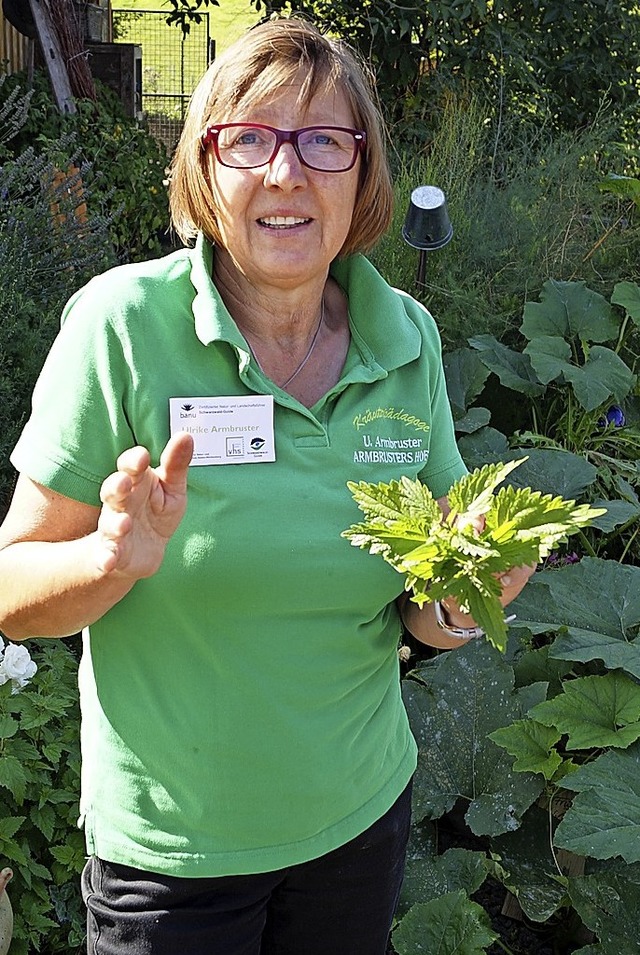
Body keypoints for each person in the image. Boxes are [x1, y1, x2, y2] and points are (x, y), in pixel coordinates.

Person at [0, 18, 533, 955]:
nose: (287, 173)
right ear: (206, 169)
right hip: (176, 860)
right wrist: (108, 560)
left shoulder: (402, 334)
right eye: (250, 138)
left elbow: (421, 602)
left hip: (359, 820)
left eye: (324, 141)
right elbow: (12, 595)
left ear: (362, 176)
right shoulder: (121, 327)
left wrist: (460, 600)